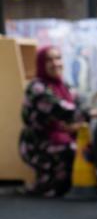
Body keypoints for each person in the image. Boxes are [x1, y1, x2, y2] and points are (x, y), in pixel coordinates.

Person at [19, 46, 90, 197]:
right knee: (70, 153)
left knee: (87, 149)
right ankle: (41, 187)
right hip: (38, 143)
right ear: (41, 64)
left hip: (62, 138)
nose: (55, 63)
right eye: (49, 60)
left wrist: (76, 122)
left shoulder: (65, 86)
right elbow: (64, 110)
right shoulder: (37, 87)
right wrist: (90, 114)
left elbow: (81, 104)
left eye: (58, 58)